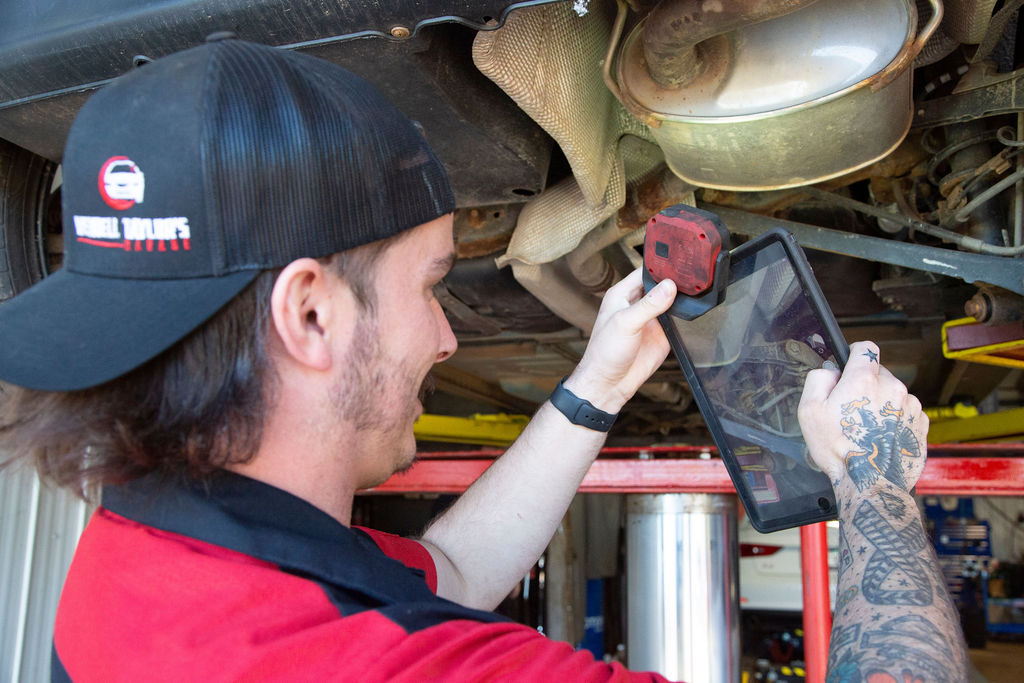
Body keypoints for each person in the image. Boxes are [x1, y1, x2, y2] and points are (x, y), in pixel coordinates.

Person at [0, 37, 965, 682]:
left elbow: (450, 570)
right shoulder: (391, 666)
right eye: (430, 285)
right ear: (310, 313)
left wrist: (601, 382)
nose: (449, 335)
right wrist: (874, 480)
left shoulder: (141, 560)